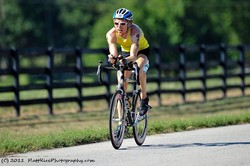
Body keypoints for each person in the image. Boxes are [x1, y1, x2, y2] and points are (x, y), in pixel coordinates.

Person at [106, 8, 150, 116]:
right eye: (116, 23)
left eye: (122, 24)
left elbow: (133, 56)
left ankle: (144, 99)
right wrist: (112, 59)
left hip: (141, 51)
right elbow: (114, 54)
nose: (118, 27)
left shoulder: (135, 32)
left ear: (129, 23)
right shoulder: (111, 34)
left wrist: (125, 60)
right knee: (121, 85)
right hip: (125, 52)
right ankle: (122, 124)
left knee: (139, 68)